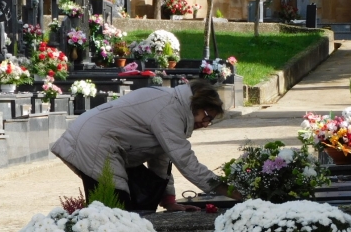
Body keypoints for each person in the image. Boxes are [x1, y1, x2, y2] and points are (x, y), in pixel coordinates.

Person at [51, 80, 242, 212]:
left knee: (135, 203)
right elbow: (186, 162)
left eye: (211, 120)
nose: (206, 123)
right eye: (207, 116)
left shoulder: (174, 106)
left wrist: (169, 201)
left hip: (103, 143)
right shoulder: (170, 109)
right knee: (115, 212)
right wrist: (231, 192)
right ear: (197, 104)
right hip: (94, 143)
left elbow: (161, 157)